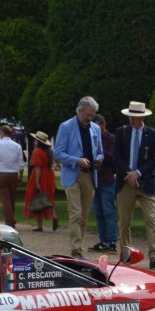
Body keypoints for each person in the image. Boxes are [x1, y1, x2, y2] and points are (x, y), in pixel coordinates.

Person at [114, 100, 155, 263]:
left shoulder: (153, 134)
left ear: (142, 118)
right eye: (130, 116)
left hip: (146, 182)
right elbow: (117, 157)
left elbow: (154, 159)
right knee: (125, 222)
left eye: (134, 117)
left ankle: (154, 255)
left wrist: (138, 173)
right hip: (126, 182)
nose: (131, 119)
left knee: (151, 219)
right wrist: (129, 174)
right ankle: (126, 255)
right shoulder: (122, 132)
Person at [55, 97, 103, 254]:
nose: (90, 118)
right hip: (72, 175)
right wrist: (77, 160)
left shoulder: (95, 128)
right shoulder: (66, 127)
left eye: (92, 115)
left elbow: (101, 152)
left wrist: (99, 159)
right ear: (79, 110)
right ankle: (76, 249)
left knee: (84, 215)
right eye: (87, 114)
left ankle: (79, 245)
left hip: (90, 175)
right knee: (75, 213)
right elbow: (58, 153)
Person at [91, 114, 119, 252]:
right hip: (95, 180)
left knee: (109, 211)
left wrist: (100, 150)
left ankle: (112, 240)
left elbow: (114, 158)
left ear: (102, 125)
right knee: (98, 211)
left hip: (107, 179)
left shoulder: (111, 139)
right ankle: (103, 240)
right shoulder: (92, 139)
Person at [0, 124, 25, 226]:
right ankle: (10, 218)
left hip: (1, 172)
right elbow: (21, 164)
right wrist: (21, 177)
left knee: (5, 198)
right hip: (13, 173)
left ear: (2, 133)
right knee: (12, 198)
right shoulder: (17, 146)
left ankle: (10, 220)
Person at [25, 131, 58, 232]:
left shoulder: (37, 151)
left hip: (40, 175)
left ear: (38, 141)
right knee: (47, 198)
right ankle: (54, 216)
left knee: (36, 198)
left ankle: (40, 225)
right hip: (49, 175)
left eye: (36, 139)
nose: (34, 141)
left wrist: (36, 181)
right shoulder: (49, 151)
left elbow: (38, 167)